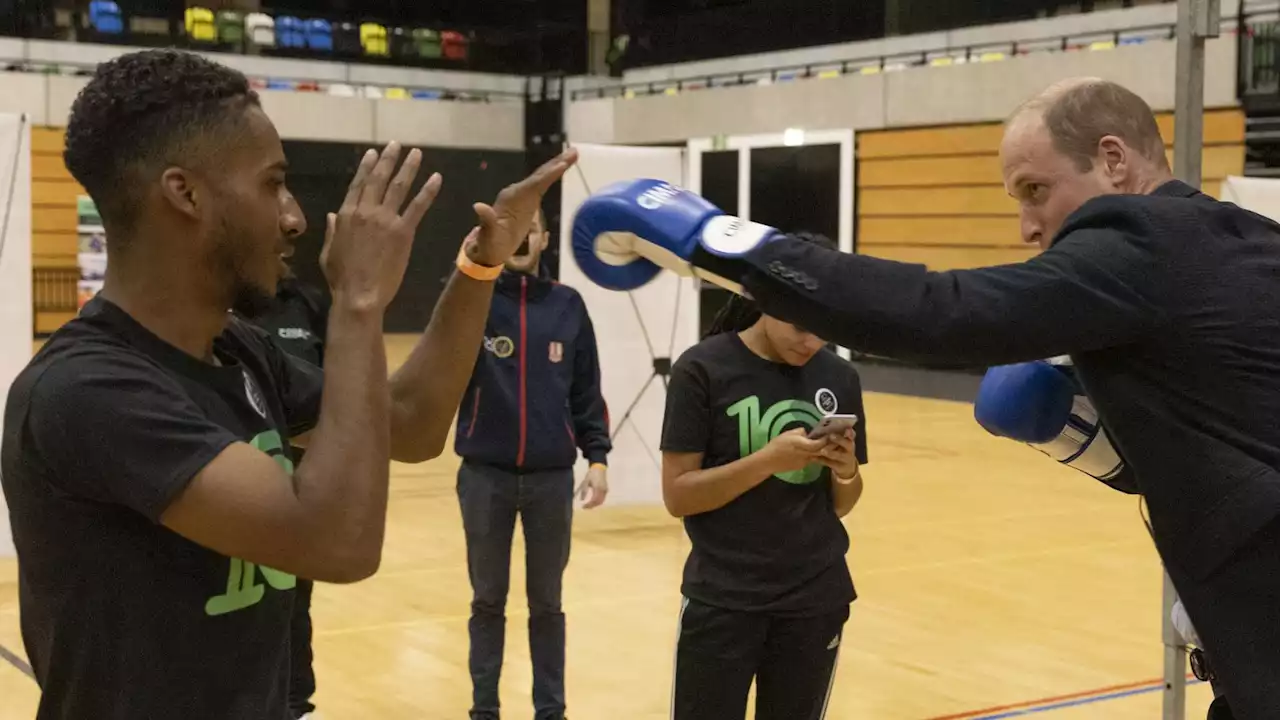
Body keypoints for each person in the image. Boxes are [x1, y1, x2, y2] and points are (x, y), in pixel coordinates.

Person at [571, 77, 1280, 719]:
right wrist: (1092, 444)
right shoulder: (1244, 240)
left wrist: (716, 241)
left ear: (1114, 160)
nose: (1028, 228)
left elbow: (939, 311)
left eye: (1036, 191)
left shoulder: (1140, 240)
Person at [0, 48, 577, 719]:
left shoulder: (239, 352)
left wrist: (481, 267)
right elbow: (337, 541)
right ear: (183, 192)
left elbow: (414, 422)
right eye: (273, 184)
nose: (296, 217)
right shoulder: (87, 392)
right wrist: (359, 303)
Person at [659, 233, 866, 720]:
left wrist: (846, 470)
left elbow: (842, 503)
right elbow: (678, 496)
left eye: (823, 326)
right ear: (763, 297)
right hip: (725, 600)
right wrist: (767, 461)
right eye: (798, 323)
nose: (810, 340)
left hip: (816, 599)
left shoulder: (839, 378)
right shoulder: (702, 369)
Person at [453, 208, 610, 720]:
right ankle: (483, 710)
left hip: (550, 481)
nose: (521, 237)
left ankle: (551, 710)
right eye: (510, 228)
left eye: (531, 228)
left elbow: (587, 390)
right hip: (484, 477)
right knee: (487, 602)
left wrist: (598, 458)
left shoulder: (568, 305)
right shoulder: (470, 299)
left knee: (548, 605)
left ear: (544, 238)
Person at [244, 265, 331, 720]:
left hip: (300, 484)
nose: (290, 222)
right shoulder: (228, 316)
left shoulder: (309, 304)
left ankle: (298, 705)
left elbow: (342, 390)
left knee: (296, 603)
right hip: (238, 487)